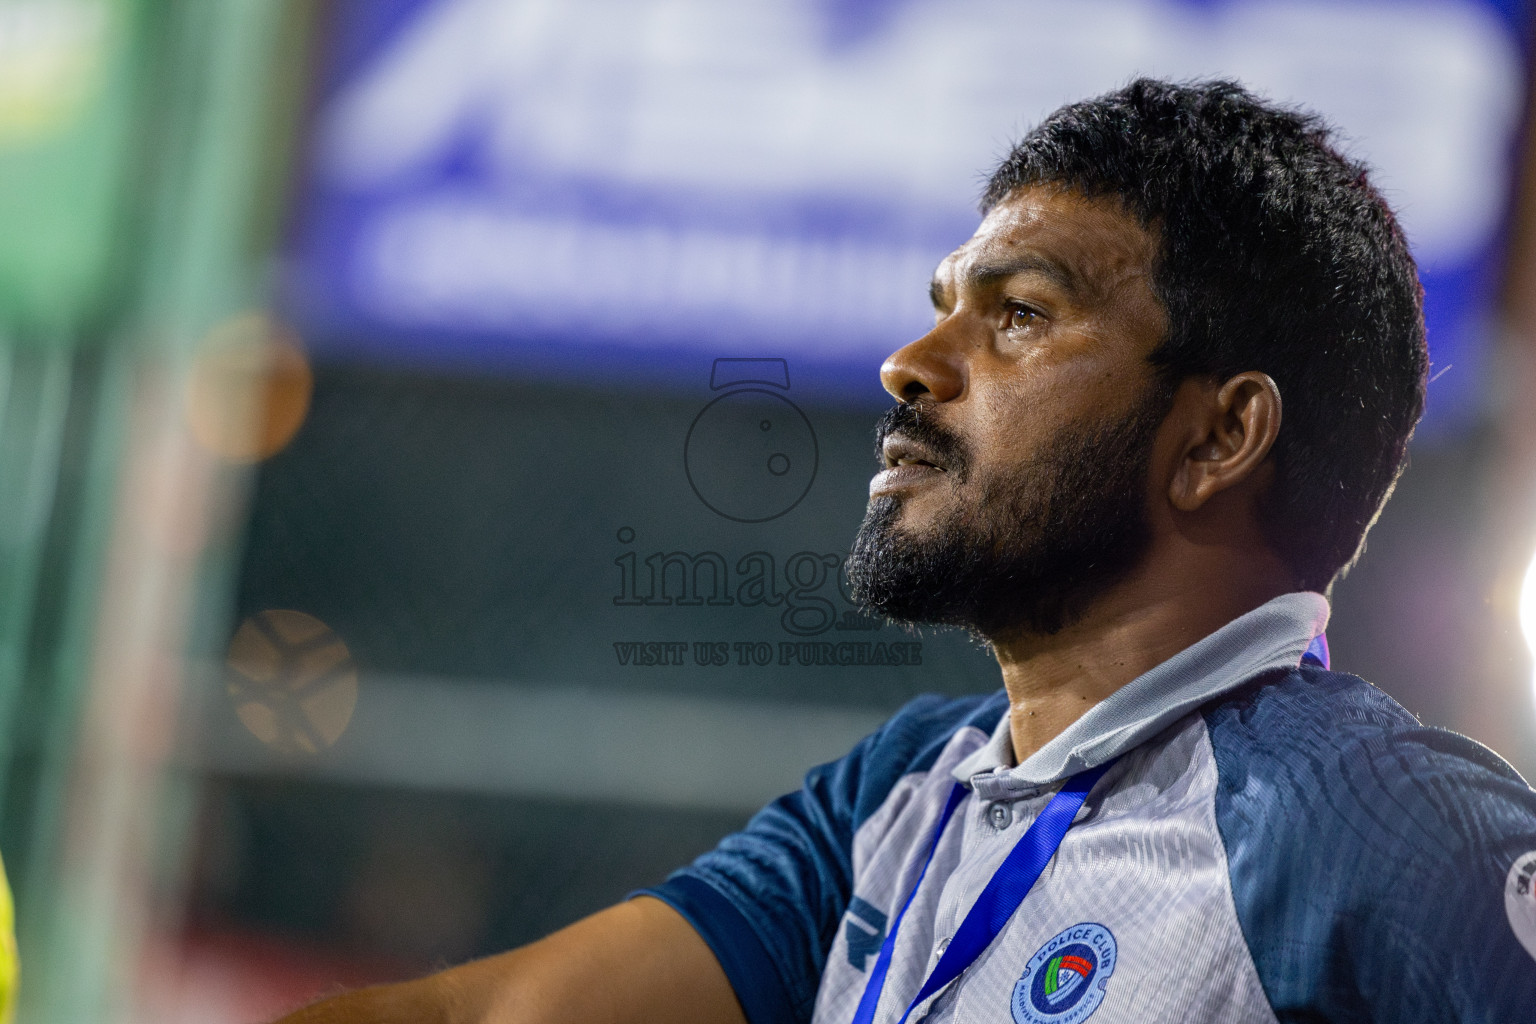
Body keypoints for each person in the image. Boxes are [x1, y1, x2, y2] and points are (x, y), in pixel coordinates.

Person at [276, 78, 1536, 1024]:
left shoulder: (1367, 823)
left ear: (1219, 434)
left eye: (1021, 317)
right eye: (946, 309)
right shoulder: (909, 794)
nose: (912, 366)